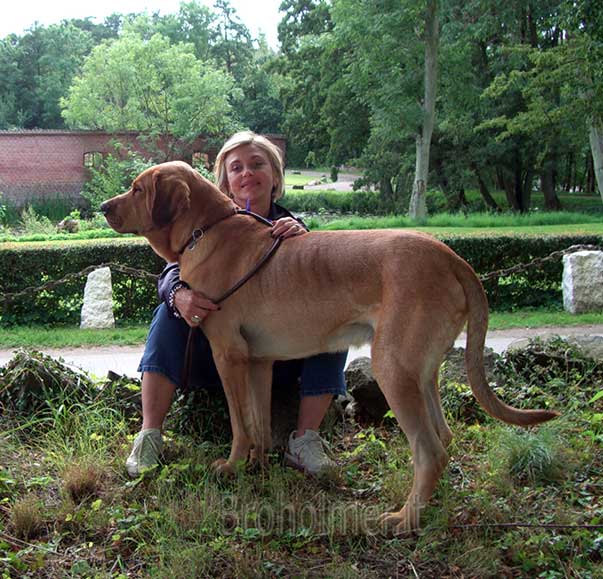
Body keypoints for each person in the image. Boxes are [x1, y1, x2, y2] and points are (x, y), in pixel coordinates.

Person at [126, 131, 347, 477]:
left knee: (336, 318)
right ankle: (149, 435)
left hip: (285, 357)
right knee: (168, 312)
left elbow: (313, 268)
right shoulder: (202, 227)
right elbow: (171, 270)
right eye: (236, 167)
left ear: (275, 176)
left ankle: (306, 440)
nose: (247, 173)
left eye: (257, 164)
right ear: (225, 183)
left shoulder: (293, 228)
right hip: (213, 357)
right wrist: (178, 294)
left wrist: (300, 236)